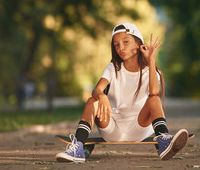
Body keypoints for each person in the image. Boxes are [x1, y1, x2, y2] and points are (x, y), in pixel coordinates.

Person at [55, 23, 189, 162]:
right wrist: (101, 96)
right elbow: (96, 90)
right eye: (116, 44)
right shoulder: (113, 67)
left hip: (139, 127)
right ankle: (77, 148)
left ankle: (164, 140)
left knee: (154, 99)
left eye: (125, 42)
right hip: (112, 129)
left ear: (138, 44)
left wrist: (151, 60)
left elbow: (154, 92)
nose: (121, 48)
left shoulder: (151, 70)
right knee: (92, 101)